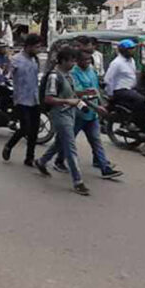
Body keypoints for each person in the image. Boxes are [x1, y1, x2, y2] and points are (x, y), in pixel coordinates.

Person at [35, 47, 91, 196]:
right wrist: (68, 101)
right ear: (63, 61)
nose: (74, 63)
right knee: (70, 147)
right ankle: (78, 181)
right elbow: (49, 98)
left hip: (70, 113)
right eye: (71, 61)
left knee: (60, 141)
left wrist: (83, 94)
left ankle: (42, 161)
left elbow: (71, 93)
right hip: (60, 114)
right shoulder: (54, 77)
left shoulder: (68, 76)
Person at [58, 51, 124, 179]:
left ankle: (104, 168)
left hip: (92, 114)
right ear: (78, 61)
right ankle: (56, 160)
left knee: (96, 140)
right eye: (85, 60)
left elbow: (96, 90)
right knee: (67, 140)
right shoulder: (73, 74)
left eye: (89, 60)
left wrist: (101, 103)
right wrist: (95, 106)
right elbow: (77, 94)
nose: (87, 62)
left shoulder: (91, 71)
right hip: (79, 112)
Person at [103, 39, 145, 158]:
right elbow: (108, 79)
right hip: (120, 90)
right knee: (141, 100)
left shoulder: (132, 61)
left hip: (131, 88)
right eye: (130, 49)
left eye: (133, 48)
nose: (133, 51)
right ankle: (134, 122)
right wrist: (110, 94)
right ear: (123, 50)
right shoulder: (116, 63)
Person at [3, 35, 42, 166]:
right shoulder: (15, 60)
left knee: (34, 130)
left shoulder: (35, 59)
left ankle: (29, 157)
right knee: (25, 128)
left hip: (35, 98)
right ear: (28, 46)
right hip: (21, 99)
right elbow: (6, 75)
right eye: (36, 47)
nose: (38, 50)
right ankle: (9, 145)